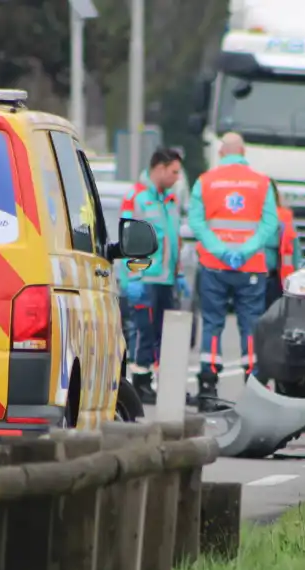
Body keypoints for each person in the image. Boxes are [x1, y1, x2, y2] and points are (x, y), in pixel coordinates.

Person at [188, 132, 278, 411]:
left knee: (213, 322)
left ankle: (208, 387)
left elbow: (196, 221)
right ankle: (253, 387)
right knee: (250, 324)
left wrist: (220, 250)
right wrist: (246, 251)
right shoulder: (262, 183)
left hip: (214, 265)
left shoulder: (205, 182)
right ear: (243, 151)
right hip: (250, 267)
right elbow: (269, 224)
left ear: (221, 153)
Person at [119, 147, 187, 404]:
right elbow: (128, 237)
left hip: (166, 279)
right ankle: (140, 384)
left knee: (162, 335)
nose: (177, 178)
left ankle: (157, 383)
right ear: (159, 168)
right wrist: (132, 276)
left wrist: (178, 273)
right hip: (145, 278)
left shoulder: (169, 199)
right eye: (174, 172)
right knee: (143, 333)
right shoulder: (136, 197)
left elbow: (173, 237)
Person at [264, 180, 302, 310]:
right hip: (269, 280)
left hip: (274, 281)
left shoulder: (283, 220)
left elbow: (295, 253)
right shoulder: (282, 219)